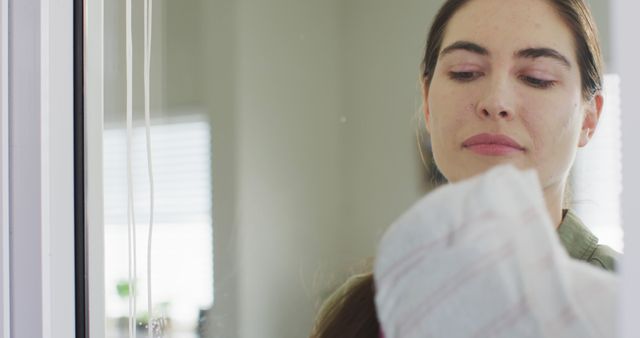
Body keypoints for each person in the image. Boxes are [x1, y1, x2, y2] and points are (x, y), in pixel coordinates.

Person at [309, 0, 619, 337]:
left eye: (536, 78)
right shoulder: (359, 309)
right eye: (465, 72)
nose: (495, 102)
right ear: (427, 101)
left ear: (590, 117)